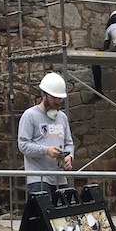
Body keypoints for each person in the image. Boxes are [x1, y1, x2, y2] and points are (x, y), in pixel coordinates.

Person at [18, 72, 74, 202]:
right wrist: (46, 150)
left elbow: (68, 143)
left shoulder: (62, 117)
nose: (58, 102)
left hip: (59, 178)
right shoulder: (30, 116)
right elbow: (23, 145)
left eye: (60, 99)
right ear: (44, 95)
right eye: (55, 98)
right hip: (38, 179)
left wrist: (69, 156)